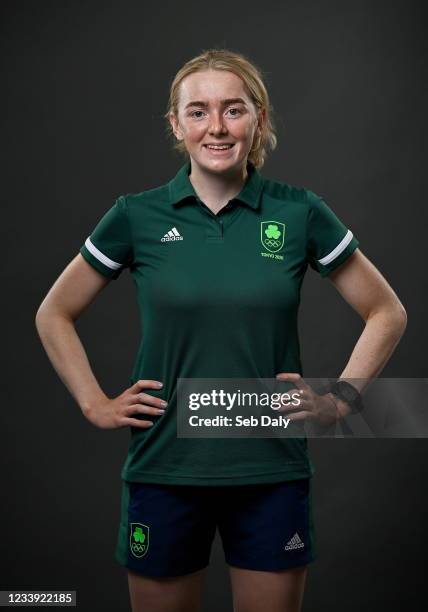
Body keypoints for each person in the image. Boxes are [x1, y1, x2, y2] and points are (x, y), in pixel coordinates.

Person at [35, 48, 407, 612]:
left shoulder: (300, 212)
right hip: (165, 467)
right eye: (198, 111)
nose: (216, 127)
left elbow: (387, 312)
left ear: (258, 118)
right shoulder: (136, 215)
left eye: (233, 110)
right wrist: (94, 402)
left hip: (271, 468)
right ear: (176, 124)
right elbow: (53, 313)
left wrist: (342, 401)